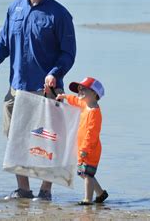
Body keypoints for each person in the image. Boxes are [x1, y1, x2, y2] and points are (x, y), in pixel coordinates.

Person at [0, 0, 76, 201]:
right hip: (16, 88)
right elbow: (3, 42)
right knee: (15, 139)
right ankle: (23, 190)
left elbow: (68, 53)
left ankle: (45, 191)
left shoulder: (60, 14)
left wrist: (55, 72)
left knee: (48, 143)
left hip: (47, 90)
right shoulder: (14, 9)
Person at [56, 77, 109, 205]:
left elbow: (92, 134)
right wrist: (65, 97)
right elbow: (75, 100)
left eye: (83, 89)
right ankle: (101, 193)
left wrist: (85, 149)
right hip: (82, 147)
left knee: (87, 175)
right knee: (82, 173)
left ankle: (87, 200)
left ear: (94, 94)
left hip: (90, 149)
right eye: (79, 89)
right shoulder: (85, 105)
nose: (79, 92)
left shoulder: (95, 113)